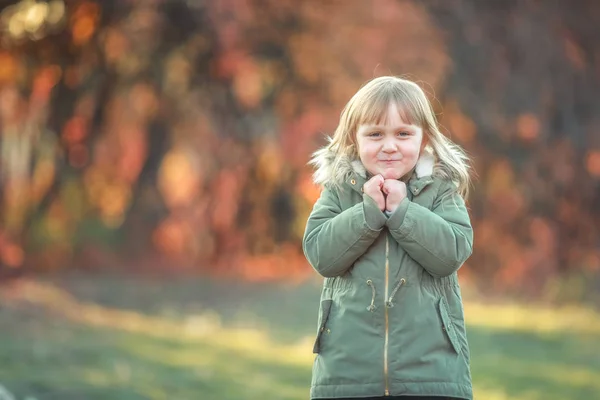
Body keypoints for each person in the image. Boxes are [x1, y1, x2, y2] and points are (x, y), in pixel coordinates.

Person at [302, 76, 474, 400]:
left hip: (432, 375)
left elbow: (452, 252)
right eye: (376, 134)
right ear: (355, 138)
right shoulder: (340, 190)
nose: (390, 145)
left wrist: (402, 211)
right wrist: (368, 211)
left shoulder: (439, 190)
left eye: (403, 133)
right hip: (346, 376)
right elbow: (320, 253)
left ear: (423, 140)